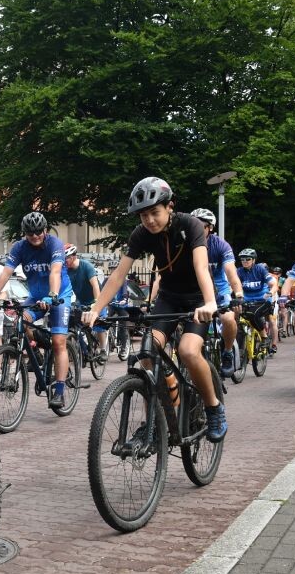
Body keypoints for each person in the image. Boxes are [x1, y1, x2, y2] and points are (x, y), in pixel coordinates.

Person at [84, 177, 227, 442]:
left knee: (187, 350)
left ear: (170, 206)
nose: (149, 220)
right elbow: (118, 275)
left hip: (197, 299)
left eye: (154, 212)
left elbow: (200, 267)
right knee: (147, 354)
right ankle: (154, 418)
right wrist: (96, 309)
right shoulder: (141, 235)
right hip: (169, 298)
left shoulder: (190, 225)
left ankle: (213, 406)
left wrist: (209, 303)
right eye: (143, 216)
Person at [0, 211, 71, 408]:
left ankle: (59, 391)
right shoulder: (19, 248)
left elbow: (55, 272)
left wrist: (52, 296)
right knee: (20, 320)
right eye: (30, 233)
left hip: (59, 295)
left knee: (58, 342)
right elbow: (5, 274)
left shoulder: (54, 244)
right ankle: (39, 348)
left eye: (38, 232)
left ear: (45, 230)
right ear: (25, 233)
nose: (34, 236)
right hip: (35, 296)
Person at [190, 208, 245, 375]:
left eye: (202, 226)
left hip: (220, 292)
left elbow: (230, 271)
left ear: (210, 228)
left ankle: (227, 351)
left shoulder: (221, 245)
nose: (197, 230)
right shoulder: (185, 245)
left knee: (228, 319)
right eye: (194, 226)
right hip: (195, 293)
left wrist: (239, 295)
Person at [63, 244, 108, 361]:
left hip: (96, 299)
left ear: (73, 256)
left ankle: (103, 349)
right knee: (75, 324)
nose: (64, 261)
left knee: (99, 325)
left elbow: (95, 286)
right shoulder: (66, 270)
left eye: (66, 258)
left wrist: (97, 304)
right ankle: (84, 348)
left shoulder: (86, 266)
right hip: (81, 301)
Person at [236, 248, 275, 351]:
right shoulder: (239, 271)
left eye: (247, 259)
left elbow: (273, 284)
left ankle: (264, 337)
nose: (244, 261)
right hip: (247, 300)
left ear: (253, 260)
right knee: (235, 317)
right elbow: (233, 285)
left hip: (262, 299)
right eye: (242, 259)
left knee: (253, 314)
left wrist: (271, 292)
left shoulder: (260, 269)